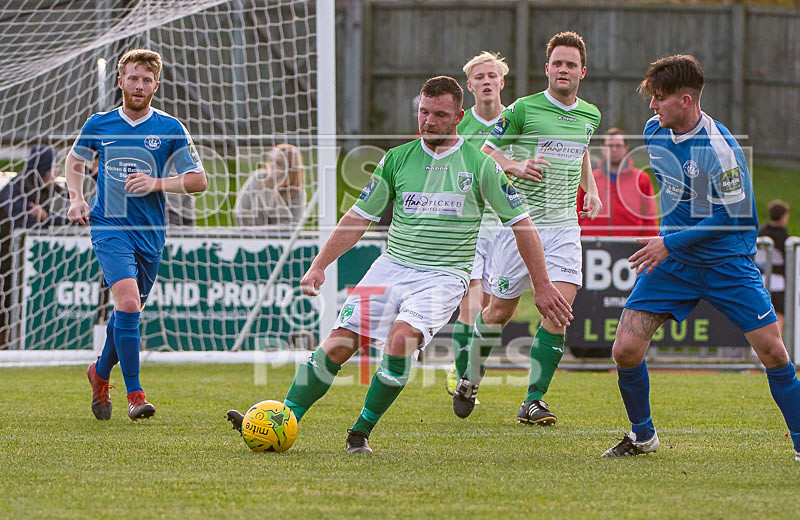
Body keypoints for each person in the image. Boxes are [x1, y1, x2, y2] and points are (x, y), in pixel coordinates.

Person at [225, 76, 572, 453]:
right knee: (338, 344)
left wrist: (542, 284)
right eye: (423, 112)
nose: (427, 121)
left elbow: (523, 225)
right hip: (392, 265)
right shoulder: (397, 158)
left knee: (400, 340)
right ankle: (282, 419)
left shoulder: (481, 165)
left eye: (438, 115)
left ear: (458, 117)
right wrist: (320, 264)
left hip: (443, 275)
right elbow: (358, 217)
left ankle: (360, 432)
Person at [601, 55, 800, 461]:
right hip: (675, 263)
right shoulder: (653, 132)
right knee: (624, 349)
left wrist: (669, 242)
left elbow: (732, 216)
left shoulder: (720, 148)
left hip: (727, 263)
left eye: (659, 98)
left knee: (774, 353)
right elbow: (677, 193)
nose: (652, 106)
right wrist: (671, 238)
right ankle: (643, 436)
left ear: (687, 100)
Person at [453, 31, 602, 424]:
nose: (564, 70)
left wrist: (592, 189)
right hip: (519, 227)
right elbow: (487, 151)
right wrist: (515, 166)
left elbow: (582, 149)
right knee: (498, 312)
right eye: (558, 64)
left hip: (565, 229)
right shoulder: (523, 109)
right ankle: (470, 375)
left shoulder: (591, 114)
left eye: (571, 64)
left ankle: (533, 400)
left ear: (582, 71)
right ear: (547, 69)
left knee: (560, 312)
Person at [66, 48, 206, 421]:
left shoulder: (171, 128)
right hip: (109, 225)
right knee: (128, 303)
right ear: (120, 81)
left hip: (150, 233)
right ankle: (134, 394)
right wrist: (76, 199)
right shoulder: (100, 123)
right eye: (132, 77)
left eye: (146, 79)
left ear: (156, 85)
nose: (139, 85)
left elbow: (198, 181)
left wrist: (157, 182)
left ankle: (98, 372)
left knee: (128, 312)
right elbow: (75, 160)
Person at [445, 51, 509, 398]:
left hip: (503, 226)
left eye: (492, 76)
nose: (486, 82)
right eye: (479, 77)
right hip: (468, 223)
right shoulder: (461, 124)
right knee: (469, 303)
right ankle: (461, 377)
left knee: (490, 307)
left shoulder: (515, 120)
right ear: (470, 86)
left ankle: (470, 369)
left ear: (502, 82)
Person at [0, 145, 70, 348]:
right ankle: (6, 344)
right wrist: (43, 219)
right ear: (45, 168)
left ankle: (12, 341)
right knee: (7, 299)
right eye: (55, 166)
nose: (57, 171)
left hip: (21, 260)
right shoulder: (18, 186)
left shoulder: (52, 188)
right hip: (6, 257)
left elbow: (70, 217)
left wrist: (46, 217)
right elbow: (19, 220)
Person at [578, 128, 658, 236]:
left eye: (618, 146)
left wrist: (648, 243)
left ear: (626, 148)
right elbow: (578, 210)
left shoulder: (641, 178)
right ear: (602, 148)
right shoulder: (590, 178)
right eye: (610, 146)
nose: (614, 149)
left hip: (629, 245)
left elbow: (650, 217)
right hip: (592, 244)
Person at [233, 143, 306, 228]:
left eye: (278, 163)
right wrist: (247, 231)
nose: (272, 165)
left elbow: (294, 225)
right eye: (271, 160)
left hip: (282, 239)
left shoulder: (297, 192)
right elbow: (239, 210)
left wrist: (263, 230)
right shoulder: (258, 178)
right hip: (251, 235)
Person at [757, 200, 790, 333]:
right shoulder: (783, 235)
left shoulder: (761, 232)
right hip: (778, 281)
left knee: (761, 314)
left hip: (760, 278)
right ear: (783, 217)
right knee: (778, 314)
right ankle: (777, 342)